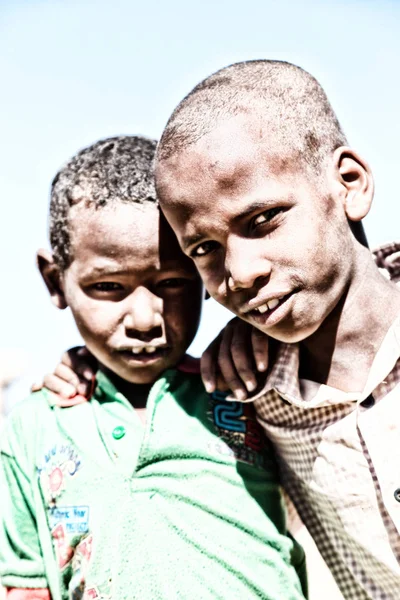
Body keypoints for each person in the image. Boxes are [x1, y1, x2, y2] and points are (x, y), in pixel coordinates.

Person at [0, 135, 307, 600]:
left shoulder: (249, 383)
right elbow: (25, 587)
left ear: (208, 270)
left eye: (170, 283)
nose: (145, 319)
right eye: (108, 286)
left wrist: (255, 335)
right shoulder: (32, 430)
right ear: (55, 280)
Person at [152, 60, 400, 599]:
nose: (239, 273)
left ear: (349, 185)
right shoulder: (248, 396)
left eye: (262, 220)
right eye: (204, 249)